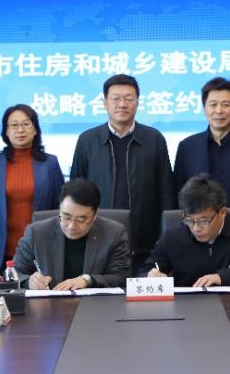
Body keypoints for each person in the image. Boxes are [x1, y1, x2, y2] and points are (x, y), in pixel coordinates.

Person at [70, 74, 175, 272]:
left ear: (137, 103)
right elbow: (75, 192)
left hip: (146, 242)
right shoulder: (87, 140)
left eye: (128, 98)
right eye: (116, 98)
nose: (122, 104)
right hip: (98, 239)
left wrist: (166, 238)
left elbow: (166, 192)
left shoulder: (154, 138)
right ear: (105, 103)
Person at [0, 104, 64, 280]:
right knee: (6, 297)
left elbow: (61, 209)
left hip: (42, 250)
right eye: (14, 125)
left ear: (35, 130)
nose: (20, 130)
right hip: (2, 253)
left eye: (26, 124)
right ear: (6, 131)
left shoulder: (50, 164)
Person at [145, 174, 230, 288]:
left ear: (222, 213)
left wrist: (222, 277)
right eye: (189, 220)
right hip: (187, 305)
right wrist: (151, 275)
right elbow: (146, 268)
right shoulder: (173, 236)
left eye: (204, 220)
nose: (196, 228)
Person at [12, 179, 131, 290]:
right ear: (59, 209)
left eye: (81, 219)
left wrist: (88, 280)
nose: (72, 226)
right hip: (49, 303)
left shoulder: (114, 233)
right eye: (66, 217)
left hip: (95, 303)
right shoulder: (36, 233)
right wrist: (29, 282)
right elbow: (14, 273)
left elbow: (121, 277)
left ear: (95, 215)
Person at [173, 77, 230, 211]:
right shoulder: (187, 147)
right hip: (198, 224)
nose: (219, 111)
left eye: (225, 105)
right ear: (204, 108)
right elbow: (179, 196)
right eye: (213, 105)